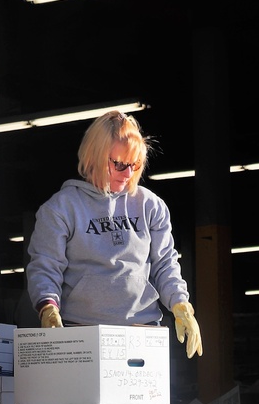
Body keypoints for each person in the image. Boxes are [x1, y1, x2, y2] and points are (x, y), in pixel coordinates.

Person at [25, 110, 202, 356]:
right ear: (94, 156)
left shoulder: (150, 205)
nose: (128, 174)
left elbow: (164, 264)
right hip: (82, 333)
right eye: (119, 164)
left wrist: (180, 303)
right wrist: (48, 307)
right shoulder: (61, 208)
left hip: (142, 331)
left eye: (134, 165)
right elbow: (45, 266)